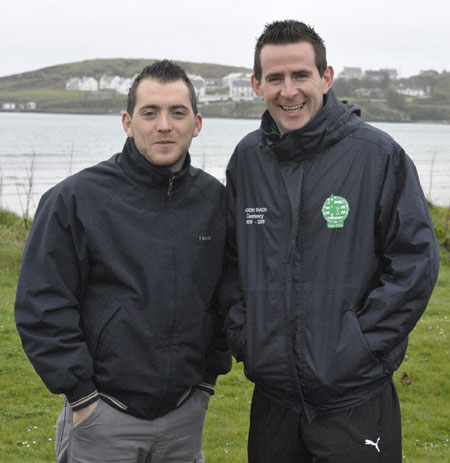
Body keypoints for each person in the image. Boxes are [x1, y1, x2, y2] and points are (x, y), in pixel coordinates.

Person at [223, 20, 440, 462]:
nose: (289, 91)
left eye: (301, 75)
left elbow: (414, 262)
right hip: (274, 401)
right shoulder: (246, 161)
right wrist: (248, 337)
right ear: (256, 85)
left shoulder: (377, 155)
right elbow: (229, 264)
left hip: (354, 400)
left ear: (325, 77)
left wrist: (359, 345)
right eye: (276, 78)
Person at [15, 60, 231, 463]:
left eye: (177, 112)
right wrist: (82, 397)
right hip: (104, 417)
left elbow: (225, 295)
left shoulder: (215, 202)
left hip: (184, 417)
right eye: (150, 113)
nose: (164, 125)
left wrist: (206, 380)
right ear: (128, 122)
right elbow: (42, 305)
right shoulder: (74, 200)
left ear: (197, 123)